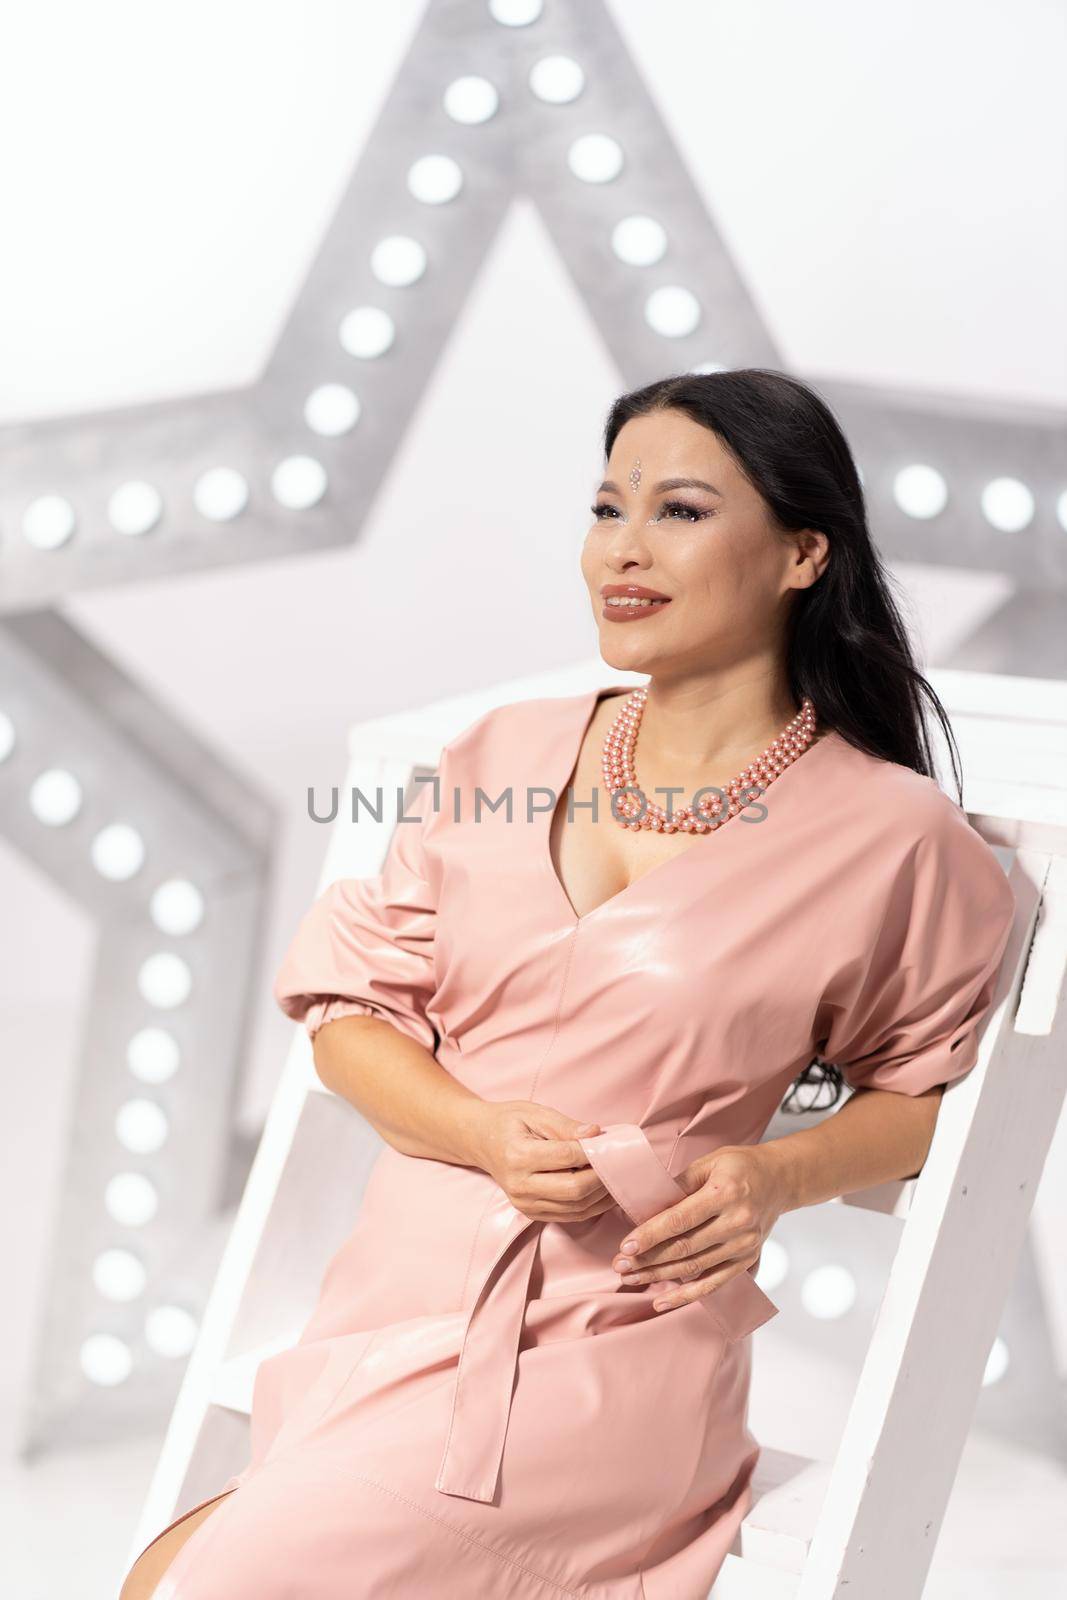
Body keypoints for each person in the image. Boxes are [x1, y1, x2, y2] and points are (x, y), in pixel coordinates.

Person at [121, 368, 1016, 1599]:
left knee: (204, 1583)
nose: (623, 550)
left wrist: (773, 1173)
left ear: (803, 553)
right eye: (606, 509)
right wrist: (478, 1131)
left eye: (681, 511)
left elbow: (924, 1097)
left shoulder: (891, 838)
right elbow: (349, 1017)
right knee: (170, 1574)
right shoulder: (498, 754)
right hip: (393, 1298)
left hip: (617, 1337)